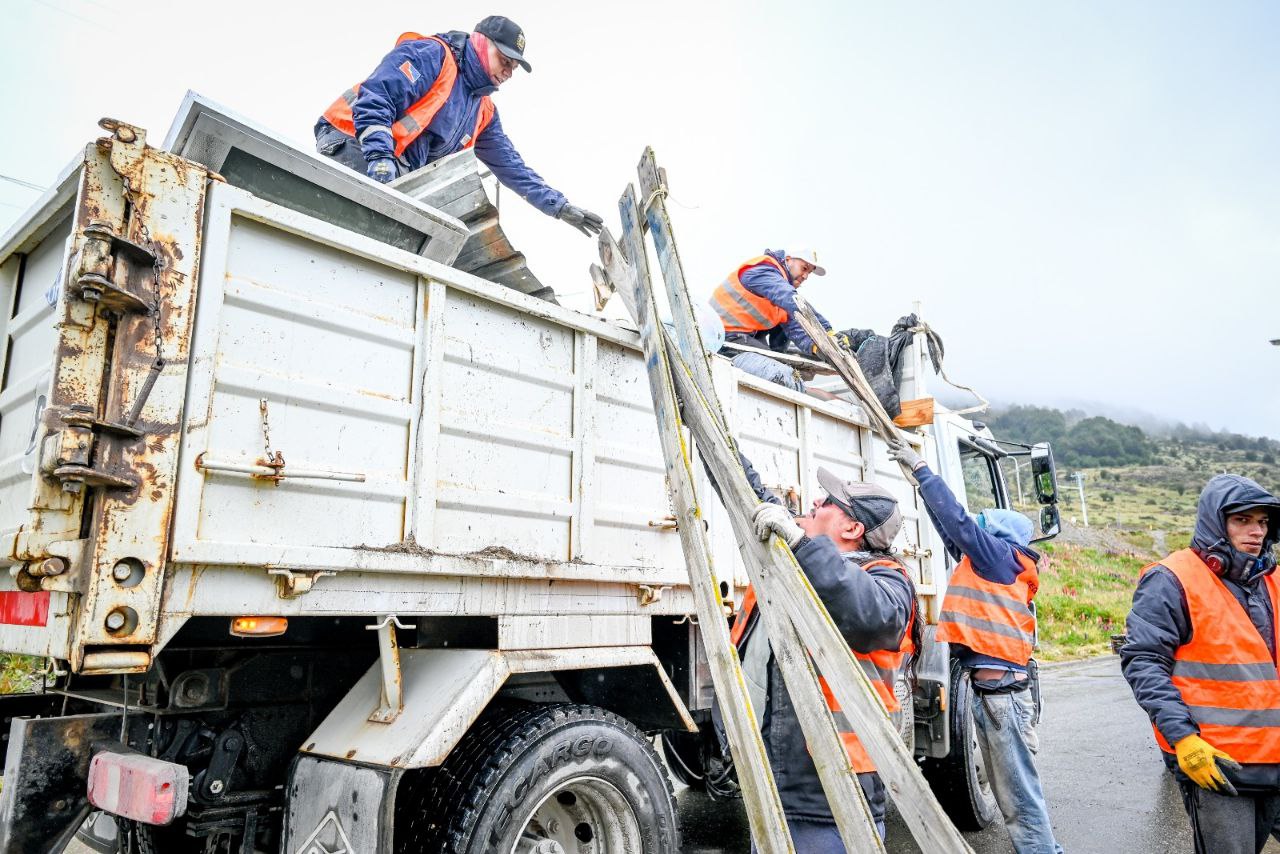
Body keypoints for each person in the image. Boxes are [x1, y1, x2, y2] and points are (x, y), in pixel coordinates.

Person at [887, 438, 1063, 854]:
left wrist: (925, 470)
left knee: (1018, 796)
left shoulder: (1000, 558)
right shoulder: (986, 564)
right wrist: (917, 482)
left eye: (983, 528)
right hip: (996, 695)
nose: (975, 532)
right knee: (1013, 793)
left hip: (1002, 698)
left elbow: (961, 523)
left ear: (997, 535)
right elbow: (951, 528)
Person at [743, 464, 917, 848]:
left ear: (853, 529)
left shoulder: (889, 579)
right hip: (774, 788)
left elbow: (871, 615)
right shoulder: (795, 561)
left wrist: (802, 545)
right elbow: (750, 495)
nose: (815, 500)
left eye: (829, 501)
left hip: (836, 797)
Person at [314, 16, 602, 236]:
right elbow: (377, 98)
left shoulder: (483, 111)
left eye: (513, 68)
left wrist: (558, 206)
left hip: (393, 169)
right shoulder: (432, 55)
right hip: (351, 141)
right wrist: (379, 157)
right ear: (480, 42)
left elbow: (513, 168)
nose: (508, 72)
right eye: (504, 60)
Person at [1120, 474, 1280, 854]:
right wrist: (1184, 739)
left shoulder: (1271, 580)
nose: (1256, 531)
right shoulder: (1171, 578)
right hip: (1218, 763)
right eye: (1243, 520)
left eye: (1262, 522)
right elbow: (1144, 661)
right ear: (1215, 522)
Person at [708, 249, 849, 391]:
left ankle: (782, 358)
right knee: (788, 375)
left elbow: (797, 327)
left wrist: (818, 346)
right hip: (723, 338)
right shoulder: (763, 271)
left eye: (809, 273)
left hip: (743, 337)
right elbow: (790, 299)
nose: (805, 276)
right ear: (788, 259)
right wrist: (827, 331)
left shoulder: (782, 293)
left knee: (788, 336)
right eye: (804, 268)